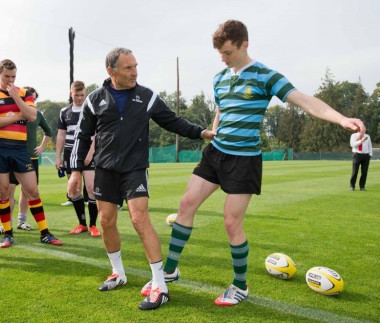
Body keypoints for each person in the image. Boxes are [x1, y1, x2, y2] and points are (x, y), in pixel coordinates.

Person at [148, 19, 365, 307]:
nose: (223, 59)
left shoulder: (266, 76)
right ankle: (170, 271)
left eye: (227, 52)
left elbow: (305, 101)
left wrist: (341, 119)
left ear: (244, 44)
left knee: (230, 222)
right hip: (216, 153)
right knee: (186, 206)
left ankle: (240, 286)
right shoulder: (219, 78)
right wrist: (213, 132)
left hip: (244, 160)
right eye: (220, 54)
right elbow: (221, 110)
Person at [67, 48, 215, 310]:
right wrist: (76, 171)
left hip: (135, 168)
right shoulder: (93, 100)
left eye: (135, 66)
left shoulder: (146, 96)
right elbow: (82, 136)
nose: (134, 72)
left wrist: (201, 132)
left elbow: (173, 121)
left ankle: (160, 284)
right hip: (104, 169)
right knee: (105, 220)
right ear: (111, 71)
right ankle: (118, 273)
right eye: (128, 68)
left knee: (139, 218)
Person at [0, 59, 63, 248]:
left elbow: (33, 116)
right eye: (6, 76)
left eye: (13, 77)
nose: (10, 80)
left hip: (20, 149)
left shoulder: (24, 93)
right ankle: (8, 234)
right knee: (3, 192)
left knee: (33, 190)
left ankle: (45, 232)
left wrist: (16, 102)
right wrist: (19, 114)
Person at [0, 86, 52, 233]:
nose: (33, 102)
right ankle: (7, 224)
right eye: (31, 99)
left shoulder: (37, 114)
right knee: (8, 190)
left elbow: (48, 132)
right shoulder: (11, 110)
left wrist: (42, 147)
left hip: (30, 157)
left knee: (29, 191)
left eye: (35, 99)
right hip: (13, 153)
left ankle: (22, 221)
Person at [56, 80, 100, 237]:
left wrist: (90, 152)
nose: (80, 98)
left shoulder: (91, 111)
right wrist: (58, 157)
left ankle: (93, 225)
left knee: (91, 187)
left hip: (88, 151)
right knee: (74, 188)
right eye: (76, 95)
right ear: (70, 94)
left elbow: (96, 134)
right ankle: (81, 223)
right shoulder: (64, 112)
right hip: (69, 153)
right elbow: (61, 135)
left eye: (82, 95)